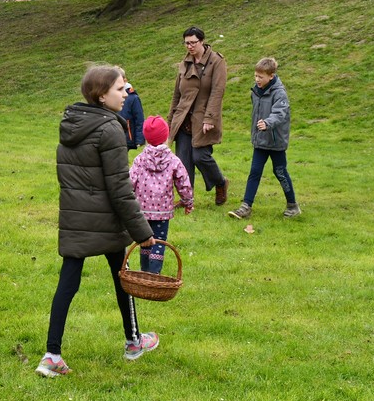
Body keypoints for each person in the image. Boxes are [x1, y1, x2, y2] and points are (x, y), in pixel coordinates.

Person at [35, 65, 158, 378]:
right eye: (119, 88)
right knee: (122, 278)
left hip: (76, 217)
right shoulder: (110, 129)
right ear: (101, 95)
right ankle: (133, 343)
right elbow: (120, 188)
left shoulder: (72, 123)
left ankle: (52, 355)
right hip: (105, 219)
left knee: (69, 282)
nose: (125, 93)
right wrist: (142, 232)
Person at [228, 57, 300, 219]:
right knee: (254, 171)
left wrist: (267, 123)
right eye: (255, 76)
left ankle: (292, 205)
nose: (257, 79)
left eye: (260, 77)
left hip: (275, 141)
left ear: (271, 76)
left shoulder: (280, 93)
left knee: (280, 172)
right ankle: (245, 207)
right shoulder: (256, 91)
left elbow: (279, 113)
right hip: (260, 140)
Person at [166, 26, 230, 205]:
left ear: (202, 41)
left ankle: (220, 183)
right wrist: (171, 120)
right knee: (184, 161)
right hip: (183, 118)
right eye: (186, 43)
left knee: (200, 156)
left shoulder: (216, 61)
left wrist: (210, 118)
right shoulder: (184, 63)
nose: (190, 46)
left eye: (193, 42)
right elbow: (177, 94)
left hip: (203, 119)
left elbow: (217, 91)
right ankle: (186, 198)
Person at [129, 116, 193, 274]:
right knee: (159, 241)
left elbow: (130, 181)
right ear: (165, 136)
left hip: (142, 210)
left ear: (146, 137)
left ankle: (145, 272)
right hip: (162, 211)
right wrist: (188, 201)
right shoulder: (173, 160)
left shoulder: (140, 160)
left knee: (145, 240)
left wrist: (128, 201)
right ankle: (154, 273)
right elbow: (183, 182)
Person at [117, 68, 144, 150]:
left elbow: (139, 119)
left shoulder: (133, 98)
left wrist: (139, 139)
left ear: (124, 80)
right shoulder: (110, 96)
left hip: (127, 137)